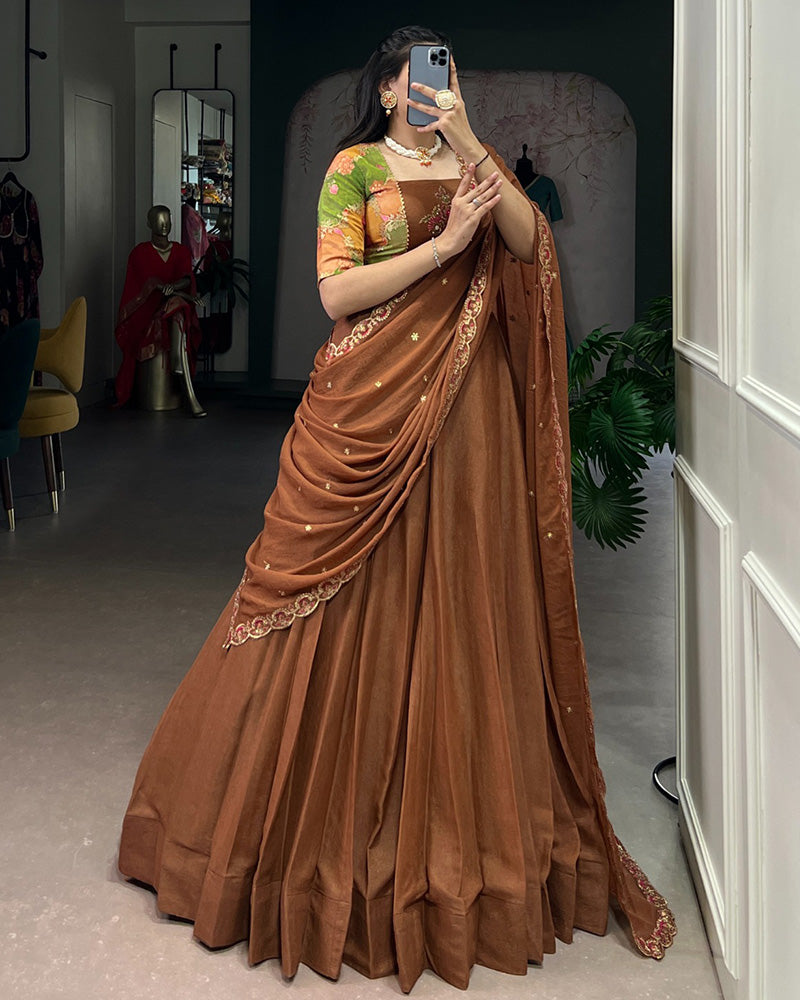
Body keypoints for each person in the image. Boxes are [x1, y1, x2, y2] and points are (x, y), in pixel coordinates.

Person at [118, 26, 676, 992]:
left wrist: (471, 150)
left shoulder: (476, 166)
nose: (435, 85)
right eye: (420, 74)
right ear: (386, 89)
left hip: (470, 418)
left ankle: (459, 823)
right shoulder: (355, 170)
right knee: (334, 598)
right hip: (368, 407)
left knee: (460, 594)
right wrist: (444, 247)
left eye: (448, 73)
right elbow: (337, 294)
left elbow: (531, 246)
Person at [114, 205, 206, 416]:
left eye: (167, 219)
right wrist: (157, 286)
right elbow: (138, 288)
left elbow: (186, 278)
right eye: (158, 220)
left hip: (175, 309)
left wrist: (174, 287)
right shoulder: (140, 253)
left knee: (177, 306)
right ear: (149, 223)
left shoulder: (181, 251)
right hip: (146, 311)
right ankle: (185, 382)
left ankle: (178, 362)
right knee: (176, 307)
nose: (164, 224)